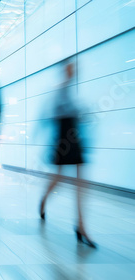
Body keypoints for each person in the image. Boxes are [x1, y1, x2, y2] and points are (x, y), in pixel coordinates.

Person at [39, 62, 96, 248]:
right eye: (70, 68)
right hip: (64, 135)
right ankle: (43, 201)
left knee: (81, 181)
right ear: (65, 70)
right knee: (59, 177)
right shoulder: (60, 89)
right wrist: (82, 111)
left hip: (73, 134)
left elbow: (76, 111)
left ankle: (81, 225)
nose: (73, 71)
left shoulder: (70, 89)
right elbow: (57, 111)